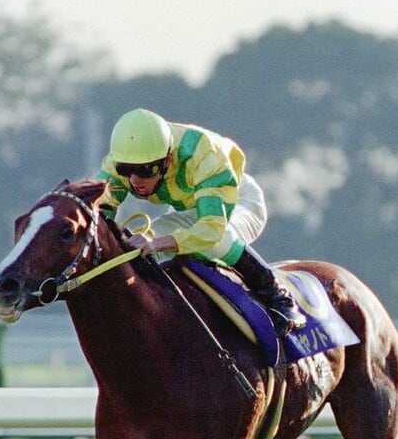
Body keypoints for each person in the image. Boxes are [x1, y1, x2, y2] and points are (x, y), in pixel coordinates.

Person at [95, 108, 305, 333]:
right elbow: (96, 216)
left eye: (146, 170)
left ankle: (279, 296)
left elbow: (211, 230)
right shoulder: (120, 161)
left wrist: (156, 243)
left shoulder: (204, 154)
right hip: (191, 209)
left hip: (235, 203)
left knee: (218, 241)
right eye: (125, 170)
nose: (134, 180)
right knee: (140, 249)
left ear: (167, 160)